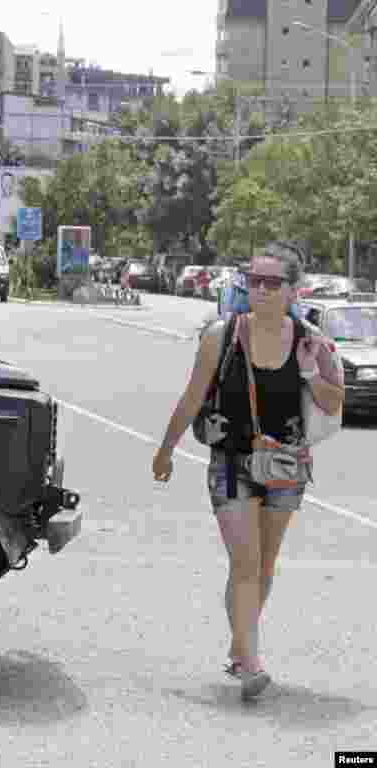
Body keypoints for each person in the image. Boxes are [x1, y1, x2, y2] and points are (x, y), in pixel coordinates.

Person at [152, 241, 344, 702]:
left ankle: (241, 649)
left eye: (271, 283)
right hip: (232, 463)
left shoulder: (311, 341)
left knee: (265, 564)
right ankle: (251, 661)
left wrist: (307, 373)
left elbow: (335, 402)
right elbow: (192, 397)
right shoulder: (221, 336)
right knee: (245, 563)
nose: (259, 289)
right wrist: (166, 449)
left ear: (294, 291)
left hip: (286, 464)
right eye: (252, 280)